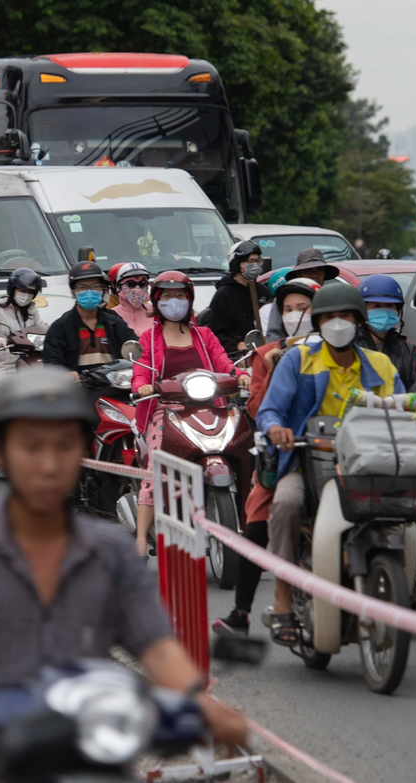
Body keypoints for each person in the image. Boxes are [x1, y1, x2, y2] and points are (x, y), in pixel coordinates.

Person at [0, 368, 247, 779]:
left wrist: (195, 702)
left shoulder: (111, 554)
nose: (48, 464)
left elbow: (158, 648)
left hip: (89, 756)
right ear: (0, 451)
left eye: (64, 446)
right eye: (31, 446)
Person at [257, 284, 416, 641]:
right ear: (318, 323)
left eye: (345, 316)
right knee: (285, 504)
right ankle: (283, 597)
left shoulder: (379, 363)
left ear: (357, 320)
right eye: (329, 317)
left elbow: (402, 408)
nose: (338, 323)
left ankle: (411, 585)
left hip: (373, 465)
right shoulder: (298, 361)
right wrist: (277, 429)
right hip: (307, 462)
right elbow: (269, 410)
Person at [213, 277, 320, 637]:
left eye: (302, 309)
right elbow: (259, 410)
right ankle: (241, 612)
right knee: (257, 523)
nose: (294, 316)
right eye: (287, 310)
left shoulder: (337, 352)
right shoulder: (265, 354)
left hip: (335, 452)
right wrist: (274, 367)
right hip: (283, 456)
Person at [131, 271, 249, 555]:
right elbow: (141, 369)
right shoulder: (149, 338)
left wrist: (240, 374)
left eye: (181, 296)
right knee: (154, 466)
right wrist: (143, 386)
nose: (175, 302)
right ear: (157, 301)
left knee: (247, 443)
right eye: (168, 296)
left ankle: (250, 520)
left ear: (190, 299)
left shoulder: (204, 334)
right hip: (166, 410)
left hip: (210, 405)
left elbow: (223, 361)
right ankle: (139, 539)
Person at [41, 261, 137, 376]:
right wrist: (66, 374)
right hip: (77, 389)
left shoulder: (115, 323)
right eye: (82, 287)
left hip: (115, 386)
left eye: (95, 286)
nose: (89, 291)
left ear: (102, 291)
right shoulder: (60, 327)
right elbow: (51, 362)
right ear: (73, 292)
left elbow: (135, 352)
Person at [0, 267, 48, 390]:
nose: (26, 295)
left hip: (30, 363)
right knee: (6, 402)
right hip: (4, 366)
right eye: (23, 291)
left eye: (30, 292)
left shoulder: (32, 309)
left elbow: (41, 327)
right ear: (13, 289)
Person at [206, 240, 270, 357]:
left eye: (257, 261)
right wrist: (237, 345)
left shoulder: (262, 292)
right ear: (237, 263)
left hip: (262, 353)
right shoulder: (224, 295)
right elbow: (214, 333)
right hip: (235, 357)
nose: (255, 265)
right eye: (250, 261)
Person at [107, 262, 152, 333]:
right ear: (119, 287)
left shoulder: (155, 313)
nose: (137, 289)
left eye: (142, 283)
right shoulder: (111, 315)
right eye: (131, 284)